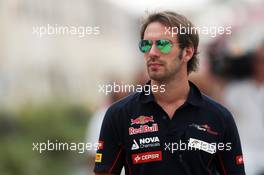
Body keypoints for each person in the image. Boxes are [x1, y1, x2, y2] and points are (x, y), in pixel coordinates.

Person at [94, 11, 245, 175]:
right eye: (145, 45)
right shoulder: (119, 114)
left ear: (187, 52)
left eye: (162, 44)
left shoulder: (219, 117)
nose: (151, 52)